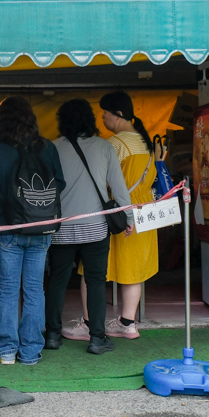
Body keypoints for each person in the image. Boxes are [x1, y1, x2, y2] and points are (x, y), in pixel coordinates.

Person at [0, 96, 63, 365]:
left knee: (8, 289)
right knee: (35, 290)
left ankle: (6, 351)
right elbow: (59, 183)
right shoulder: (47, 147)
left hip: (8, 227)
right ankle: (30, 352)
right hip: (41, 228)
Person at [68, 92, 159, 340]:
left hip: (117, 212)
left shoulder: (116, 144)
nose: (102, 118)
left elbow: (103, 180)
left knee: (93, 267)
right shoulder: (145, 140)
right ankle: (127, 323)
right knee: (134, 269)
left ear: (117, 115)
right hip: (143, 210)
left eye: (104, 113)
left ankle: (88, 323)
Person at [47, 98, 132, 355]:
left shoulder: (52, 148)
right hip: (95, 228)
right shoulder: (104, 147)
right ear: (90, 120)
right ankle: (97, 338)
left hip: (60, 228)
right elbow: (118, 187)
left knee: (56, 281)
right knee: (96, 281)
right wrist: (127, 217)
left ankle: (51, 335)